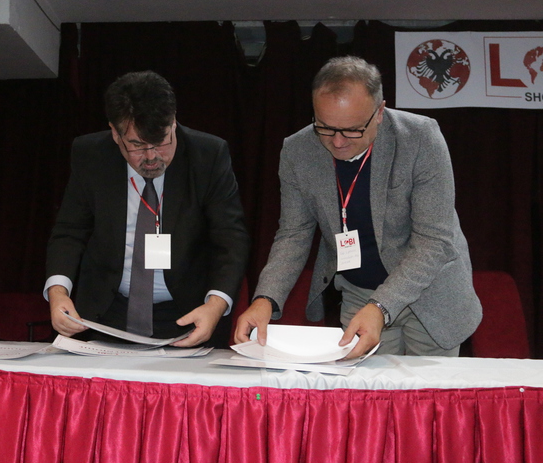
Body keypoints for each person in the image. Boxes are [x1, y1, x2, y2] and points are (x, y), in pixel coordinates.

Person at [234, 56, 482, 357]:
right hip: (359, 293)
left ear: (379, 112)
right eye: (325, 127)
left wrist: (381, 307)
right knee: (368, 385)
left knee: (426, 387)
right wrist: (265, 298)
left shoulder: (420, 138)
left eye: (352, 130)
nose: (338, 142)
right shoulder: (297, 150)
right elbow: (293, 234)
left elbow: (433, 241)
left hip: (430, 294)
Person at [45, 70, 249, 347]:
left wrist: (215, 305)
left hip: (189, 312)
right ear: (115, 133)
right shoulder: (91, 155)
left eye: (161, 142)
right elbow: (70, 231)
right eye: (137, 145)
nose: (151, 157)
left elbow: (230, 238)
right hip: (105, 313)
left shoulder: (208, 155)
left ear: (173, 122)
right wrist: (58, 293)